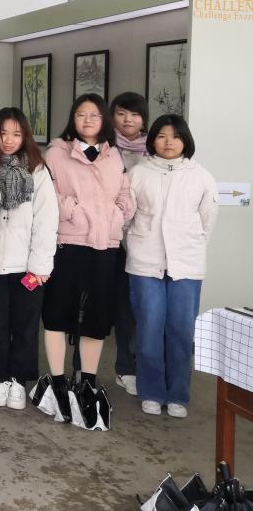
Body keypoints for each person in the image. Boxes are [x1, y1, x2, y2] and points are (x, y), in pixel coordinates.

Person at [35, 94, 134, 429]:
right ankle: (58, 380)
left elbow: (125, 193)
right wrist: (75, 212)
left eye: (95, 115)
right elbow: (47, 194)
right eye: (81, 114)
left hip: (105, 246)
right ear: (72, 118)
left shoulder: (114, 154)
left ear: (104, 120)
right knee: (57, 313)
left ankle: (88, 380)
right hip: (69, 243)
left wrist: (116, 214)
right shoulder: (56, 152)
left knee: (97, 316)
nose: (88, 120)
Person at [127, 115, 217, 419]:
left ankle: (178, 393)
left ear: (185, 140)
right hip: (145, 263)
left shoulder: (200, 176)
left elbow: (207, 221)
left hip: (187, 265)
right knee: (149, 329)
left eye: (176, 136)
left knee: (181, 330)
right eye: (162, 136)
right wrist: (138, 245)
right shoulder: (138, 173)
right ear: (152, 139)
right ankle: (152, 391)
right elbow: (126, 219)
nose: (168, 142)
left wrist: (189, 246)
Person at [0, 107, 56, 411]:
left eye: (16, 133)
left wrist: (40, 266)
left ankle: (18, 380)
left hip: (27, 266)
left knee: (25, 325)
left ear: (25, 136)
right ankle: (2, 377)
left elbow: (46, 222)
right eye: (3, 134)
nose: (9, 140)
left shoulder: (37, 171)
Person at [108, 91, 149, 397]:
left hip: (141, 242)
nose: (127, 120)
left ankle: (129, 367)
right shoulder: (106, 148)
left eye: (134, 114)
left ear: (143, 119)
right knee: (110, 305)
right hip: (108, 237)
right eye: (121, 113)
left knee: (132, 310)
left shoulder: (155, 150)